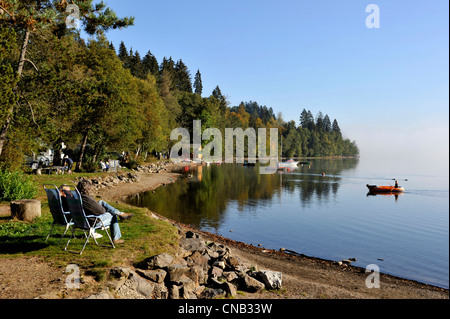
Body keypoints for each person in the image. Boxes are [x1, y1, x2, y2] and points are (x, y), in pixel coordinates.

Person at [60, 181, 133, 244]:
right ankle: (116, 238)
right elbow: (101, 212)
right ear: (88, 188)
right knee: (112, 215)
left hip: (80, 221)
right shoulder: (86, 199)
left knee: (101, 202)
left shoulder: (76, 198)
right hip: (92, 222)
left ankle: (120, 213)